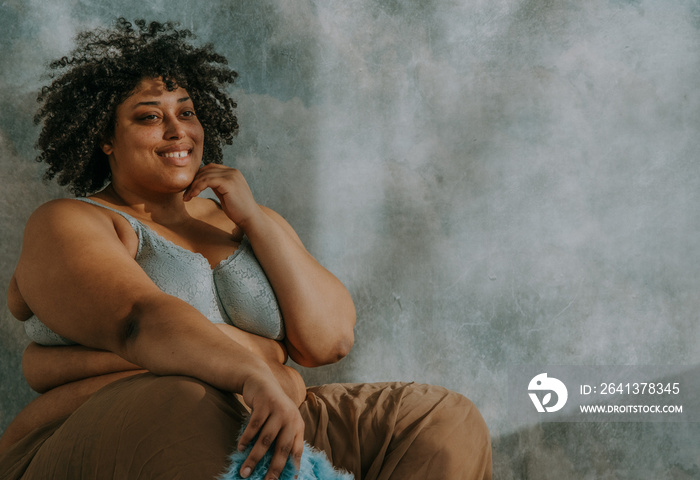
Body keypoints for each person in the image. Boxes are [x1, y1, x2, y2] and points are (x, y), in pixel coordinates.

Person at [0, 19, 492, 480]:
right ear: (104, 137)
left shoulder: (241, 220)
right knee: (182, 399)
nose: (178, 132)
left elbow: (329, 341)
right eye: (150, 117)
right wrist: (261, 364)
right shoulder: (72, 220)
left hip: (267, 408)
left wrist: (256, 220)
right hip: (114, 418)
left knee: (439, 419)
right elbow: (138, 320)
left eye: (187, 113)